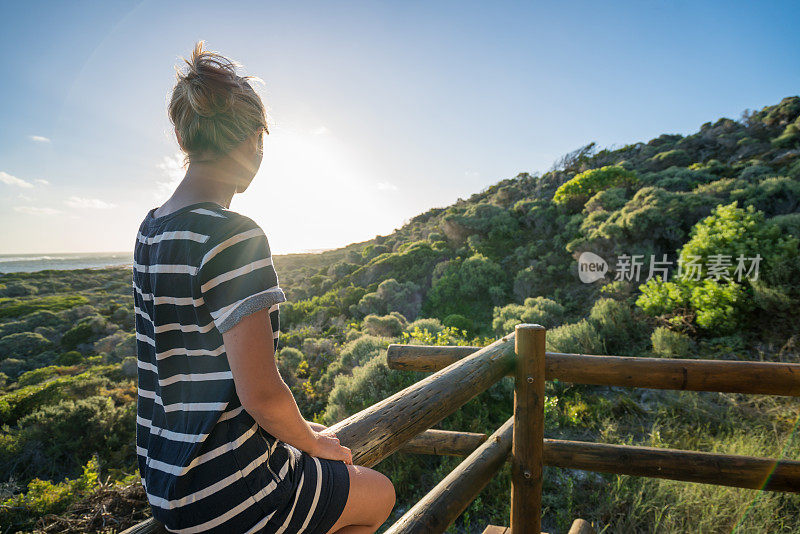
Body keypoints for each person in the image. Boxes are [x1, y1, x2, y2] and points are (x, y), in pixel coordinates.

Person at [133, 41, 395, 534]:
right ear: (254, 138)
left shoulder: (150, 231)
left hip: (168, 483)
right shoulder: (233, 234)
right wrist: (314, 443)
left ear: (184, 136)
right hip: (232, 487)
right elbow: (261, 394)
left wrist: (298, 436)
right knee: (381, 495)